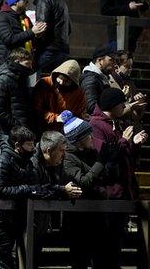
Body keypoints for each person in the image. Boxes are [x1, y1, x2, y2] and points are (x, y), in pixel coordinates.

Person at [0, 126, 61, 269]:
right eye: (29, 144)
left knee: (1, 261)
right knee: (3, 261)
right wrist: (27, 189)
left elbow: (36, 186)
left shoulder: (26, 163)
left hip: (13, 218)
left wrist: (58, 190)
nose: (33, 148)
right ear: (17, 145)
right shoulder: (2, 161)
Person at [89, 88, 148, 266]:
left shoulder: (116, 122)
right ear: (112, 105)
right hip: (107, 192)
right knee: (105, 244)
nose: (125, 106)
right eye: (122, 103)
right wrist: (123, 140)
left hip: (122, 189)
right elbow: (105, 156)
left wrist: (134, 144)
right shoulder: (96, 125)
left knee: (116, 242)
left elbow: (124, 154)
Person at [61, 111, 117, 269]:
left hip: (97, 214)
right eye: (88, 135)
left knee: (100, 258)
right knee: (80, 260)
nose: (92, 137)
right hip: (78, 218)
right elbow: (84, 182)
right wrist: (100, 162)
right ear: (78, 140)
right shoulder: (69, 158)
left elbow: (102, 176)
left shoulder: (91, 152)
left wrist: (109, 162)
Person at [30, 131, 83, 264]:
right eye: (61, 151)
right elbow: (37, 189)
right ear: (48, 150)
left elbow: (58, 185)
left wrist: (68, 189)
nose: (64, 155)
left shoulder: (55, 164)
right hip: (29, 224)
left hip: (40, 224)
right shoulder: (32, 164)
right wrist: (63, 190)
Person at [0, 0, 47, 65]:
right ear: (15, 1)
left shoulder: (24, 17)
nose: (27, 2)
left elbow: (30, 38)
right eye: (25, 0)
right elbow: (9, 40)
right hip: (8, 64)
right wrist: (32, 32)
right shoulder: (2, 17)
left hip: (24, 62)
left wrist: (37, 35)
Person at [32, 59, 86, 134]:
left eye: (67, 81)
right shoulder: (44, 83)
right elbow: (36, 108)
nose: (61, 83)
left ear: (73, 82)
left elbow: (79, 114)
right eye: (60, 78)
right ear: (56, 74)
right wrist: (55, 118)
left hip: (65, 131)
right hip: (43, 128)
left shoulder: (78, 93)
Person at [0, 48, 34, 140]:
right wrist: (16, 125)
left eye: (31, 64)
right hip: (9, 133)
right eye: (27, 63)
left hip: (23, 131)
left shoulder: (23, 78)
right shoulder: (4, 79)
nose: (30, 67)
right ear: (16, 61)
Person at [32, 0, 71, 73]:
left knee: (29, 70)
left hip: (48, 48)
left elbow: (41, 27)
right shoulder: (62, 2)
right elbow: (69, 28)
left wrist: (34, 44)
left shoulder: (44, 0)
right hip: (63, 49)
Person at [109, 50, 147, 128]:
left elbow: (136, 115)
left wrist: (139, 101)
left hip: (130, 127)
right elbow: (113, 112)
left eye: (131, 66)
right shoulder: (108, 82)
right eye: (127, 66)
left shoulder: (130, 83)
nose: (130, 69)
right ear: (116, 67)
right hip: (115, 127)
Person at [80, 44, 116, 115]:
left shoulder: (102, 77)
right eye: (111, 60)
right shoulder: (90, 79)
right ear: (100, 60)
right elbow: (92, 108)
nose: (114, 64)